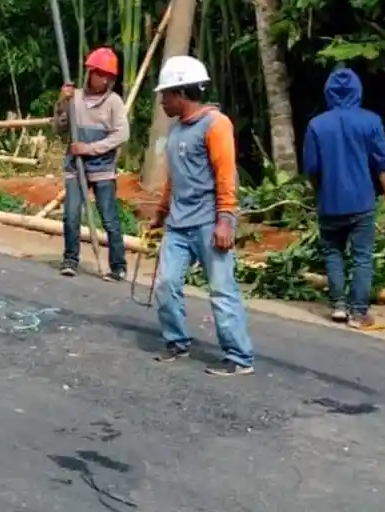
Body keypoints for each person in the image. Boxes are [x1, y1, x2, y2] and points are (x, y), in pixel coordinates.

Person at [148, 55, 254, 377]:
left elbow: (226, 175)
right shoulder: (177, 130)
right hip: (179, 223)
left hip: (209, 222)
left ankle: (239, 356)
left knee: (222, 290)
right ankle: (176, 341)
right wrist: (162, 211)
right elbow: (174, 176)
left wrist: (226, 220)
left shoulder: (216, 124)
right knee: (165, 284)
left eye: (165, 94)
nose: (163, 101)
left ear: (181, 93)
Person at [302, 66, 385, 329]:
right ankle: (359, 313)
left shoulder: (316, 125)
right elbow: (382, 163)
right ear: (358, 91)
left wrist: (320, 191)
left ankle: (338, 305)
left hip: (330, 202)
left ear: (328, 92)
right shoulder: (371, 121)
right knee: (361, 256)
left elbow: (312, 169)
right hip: (361, 202)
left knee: (333, 252)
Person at [53, 47, 130, 280]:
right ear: (90, 73)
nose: (101, 79)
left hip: (102, 167)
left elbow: (121, 135)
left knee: (109, 218)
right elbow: (60, 128)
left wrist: (89, 148)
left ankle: (118, 265)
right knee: (71, 214)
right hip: (75, 165)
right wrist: (61, 103)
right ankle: (70, 258)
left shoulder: (114, 103)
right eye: (98, 74)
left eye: (107, 76)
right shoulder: (74, 98)